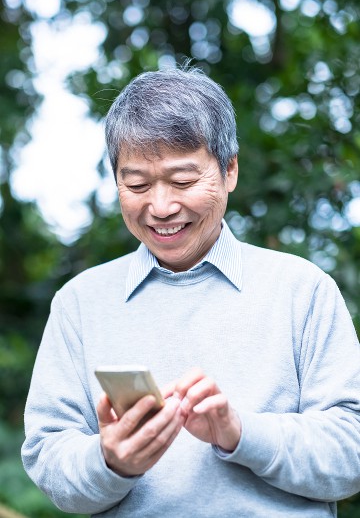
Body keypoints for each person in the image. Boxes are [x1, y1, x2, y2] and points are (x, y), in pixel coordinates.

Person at [22, 67, 360, 518]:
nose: (161, 207)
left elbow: (352, 453)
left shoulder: (303, 289)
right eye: (137, 184)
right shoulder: (80, 304)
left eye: (183, 181)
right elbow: (48, 456)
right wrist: (110, 462)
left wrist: (240, 432)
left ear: (230, 170)